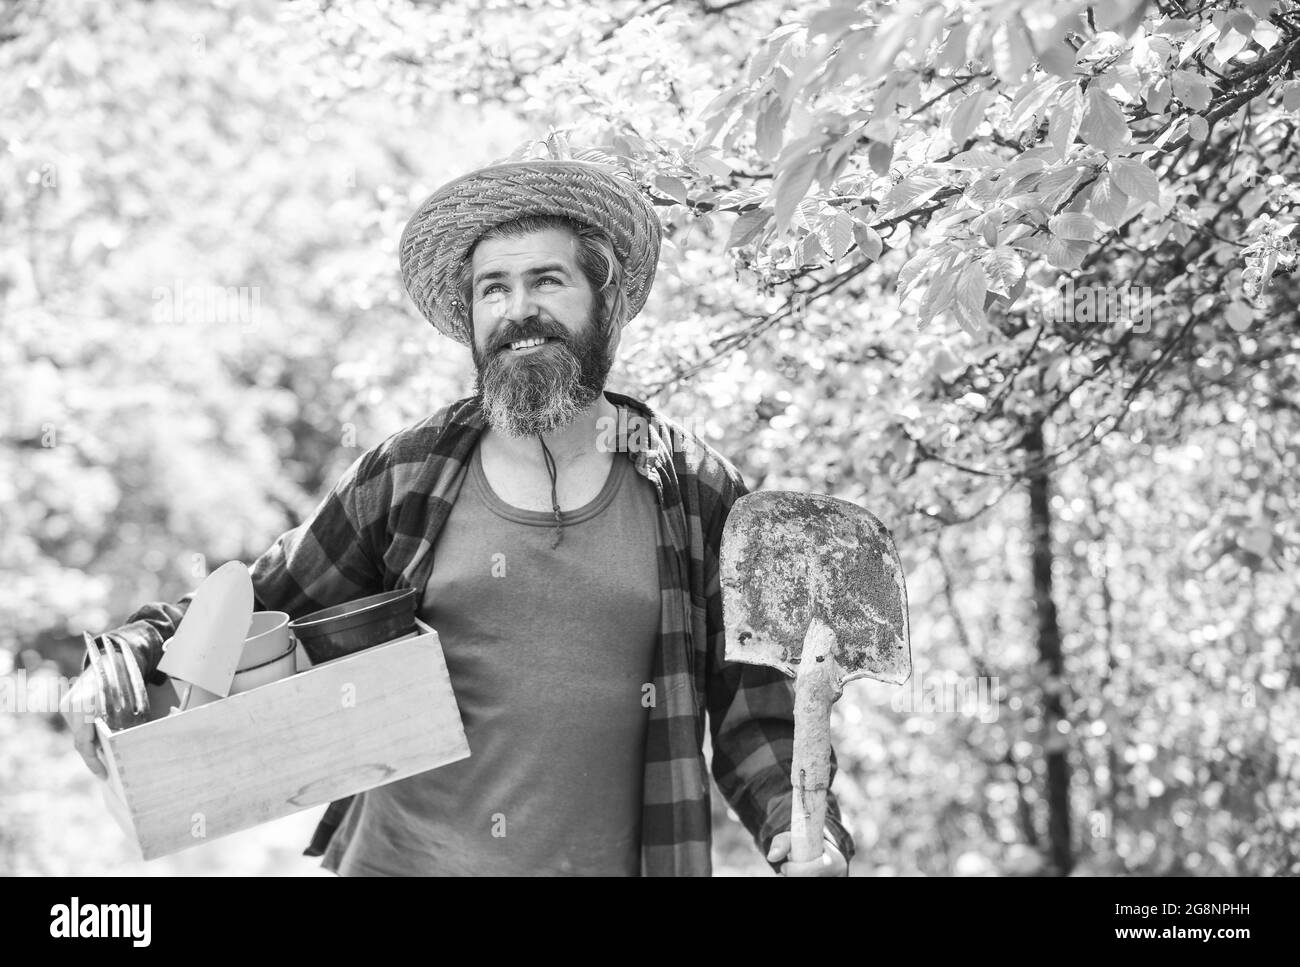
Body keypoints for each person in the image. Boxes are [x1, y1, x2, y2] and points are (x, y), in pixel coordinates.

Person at [63, 151, 855, 876]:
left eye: (548, 281)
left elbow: (758, 712)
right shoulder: (410, 473)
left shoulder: (695, 490)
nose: (520, 311)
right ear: (472, 318)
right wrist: (122, 659)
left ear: (603, 304)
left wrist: (800, 830)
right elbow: (257, 601)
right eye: (493, 289)